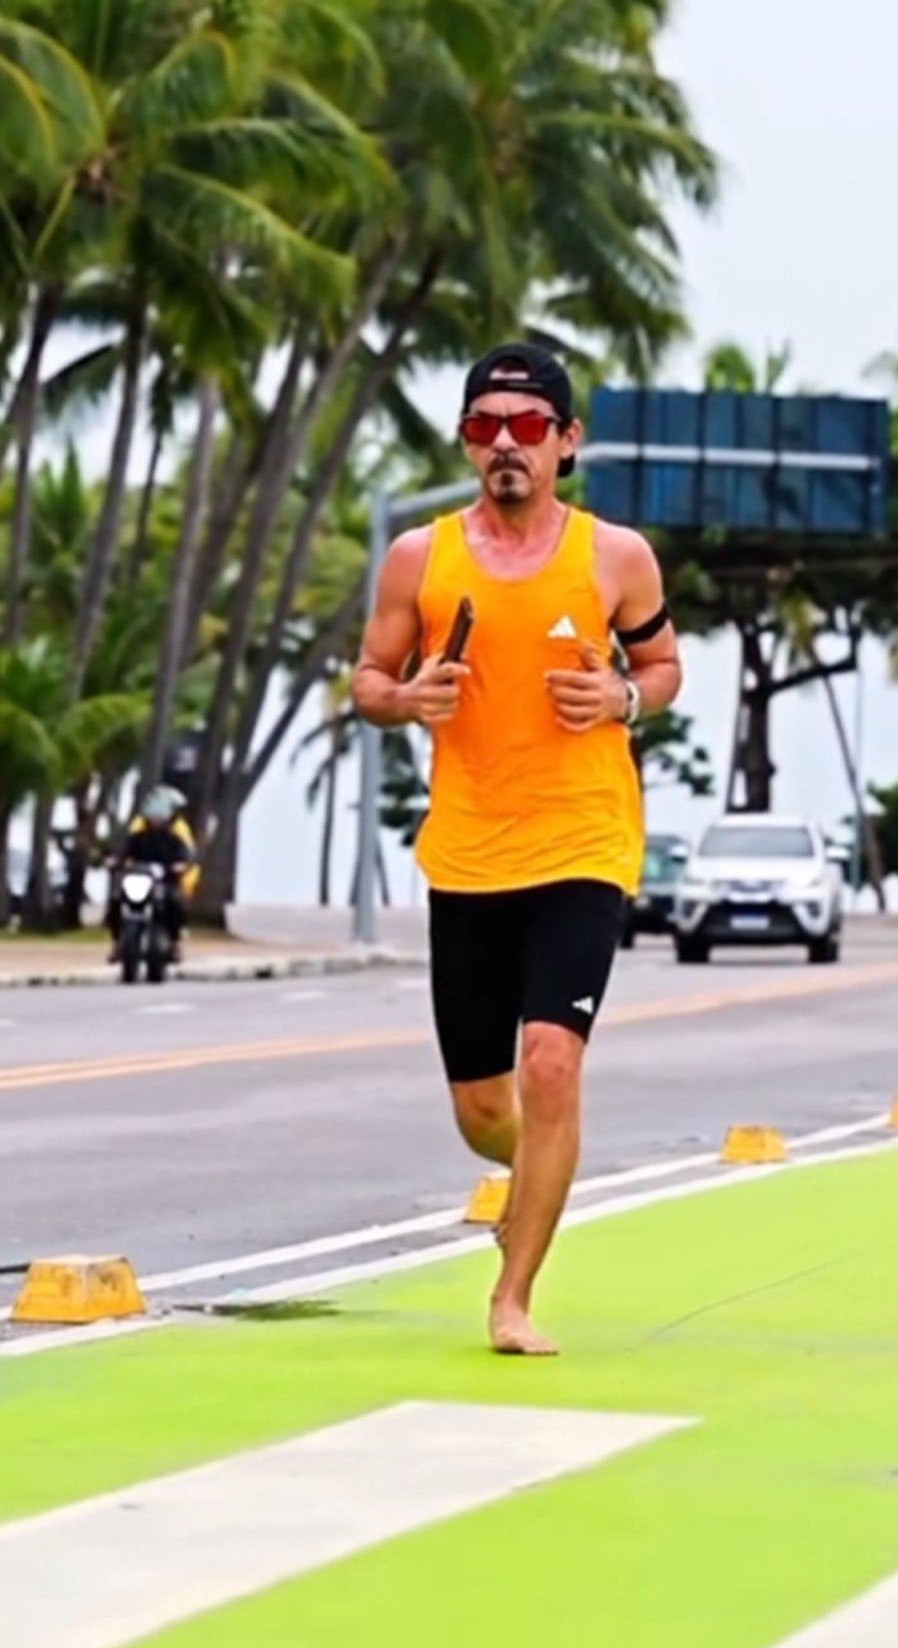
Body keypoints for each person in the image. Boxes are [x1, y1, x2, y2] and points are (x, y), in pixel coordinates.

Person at [352, 341, 682, 1355]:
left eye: (529, 426)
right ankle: (543, 1169)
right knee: (482, 1109)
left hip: (584, 841)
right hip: (468, 851)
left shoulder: (615, 557)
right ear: (466, 441)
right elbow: (368, 679)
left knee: (550, 1064)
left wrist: (622, 697)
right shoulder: (420, 559)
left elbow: (664, 667)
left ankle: (513, 1295)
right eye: (486, 426)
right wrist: (407, 699)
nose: (507, 443)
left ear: (565, 442)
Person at [106, 786, 197, 961]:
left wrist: (180, 866)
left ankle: (175, 941)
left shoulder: (175, 838)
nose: (156, 820)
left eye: (160, 816)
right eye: (153, 816)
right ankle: (118, 941)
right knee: (117, 900)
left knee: (174, 902)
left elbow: (186, 855)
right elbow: (123, 852)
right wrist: (115, 861)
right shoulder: (138, 836)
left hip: (164, 882)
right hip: (139, 880)